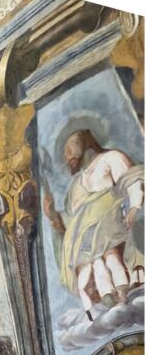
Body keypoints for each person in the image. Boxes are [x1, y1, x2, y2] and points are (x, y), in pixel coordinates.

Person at [43, 129, 144, 320]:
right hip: (85, 240)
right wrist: (52, 215)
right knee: (96, 267)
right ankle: (106, 302)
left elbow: (132, 180)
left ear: (82, 146)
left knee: (111, 257)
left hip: (108, 227)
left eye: (69, 151)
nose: (67, 157)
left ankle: (123, 293)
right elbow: (70, 221)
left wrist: (134, 208)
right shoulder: (76, 184)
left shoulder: (110, 159)